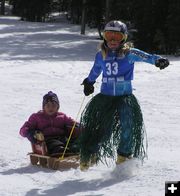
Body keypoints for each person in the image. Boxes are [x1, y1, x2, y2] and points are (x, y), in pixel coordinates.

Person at [79, 20, 169, 170]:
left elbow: (145, 56)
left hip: (124, 98)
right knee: (103, 129)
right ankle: (90, 153)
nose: (113, 40)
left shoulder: (129, 53)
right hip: (106, 98)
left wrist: (157, 60)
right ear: (104, 37)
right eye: (109, 35)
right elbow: (95, 70)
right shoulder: (101, 55)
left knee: (128, 124)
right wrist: (89, 82)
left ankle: (123, 155)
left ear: (124, 38)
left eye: (117, 36)